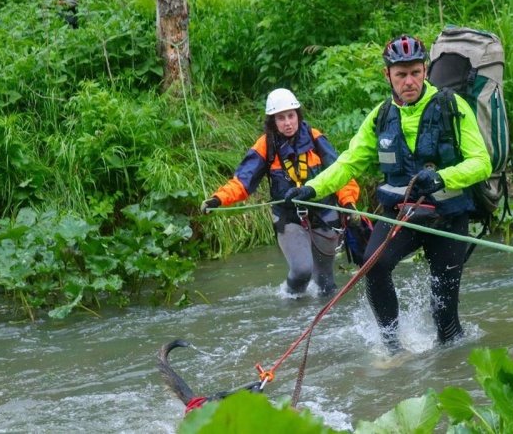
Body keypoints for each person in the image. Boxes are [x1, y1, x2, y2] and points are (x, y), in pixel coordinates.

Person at [284, 34, 492, 353]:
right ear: (388, 75)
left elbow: (481, 163)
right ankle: (393, 347)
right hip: (401, 216)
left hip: (449, 218)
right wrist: (311, 189)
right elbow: (348, 162)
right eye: (401, 74)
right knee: (374, 266)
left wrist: (440, 178)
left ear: (425, 70)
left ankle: (452, 369)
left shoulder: (453, 106)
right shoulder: (380, 117)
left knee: (446, 319)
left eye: (415, 72)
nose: (409, 81)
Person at [200, 88, 360, 297]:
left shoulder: (314, 137)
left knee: (326, 282)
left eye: (291, 116)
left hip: (323, 213)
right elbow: (243, 181)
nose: (287, 122)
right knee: (302, 271)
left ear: (298, 115)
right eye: (281, 117)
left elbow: (340, 172)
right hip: (288, 217)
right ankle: (289, 309)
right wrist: (217, 199)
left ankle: (325, 324)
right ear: (273, 121)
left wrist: (348, 204)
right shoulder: (266, 145)